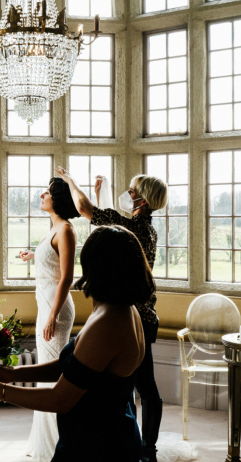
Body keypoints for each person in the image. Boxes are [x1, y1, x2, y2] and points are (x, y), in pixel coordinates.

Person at [0, 225, 153, 462]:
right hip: (102, 436)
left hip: (97, 447)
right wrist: (14, 373)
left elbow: (60, 400)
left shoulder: (108, 323)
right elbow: (76, 366)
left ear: (98, 268)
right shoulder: (122, 309)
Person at [55, 167, 168, 462]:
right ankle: (141, 445)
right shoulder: (145, 227)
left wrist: (69, 181)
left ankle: (147, 450)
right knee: (134, 385)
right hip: (145, 316)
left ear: (143, 201)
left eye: (131, 192)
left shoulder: (133, 227)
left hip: (136, 318)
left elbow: (84, 210)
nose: (127, 195)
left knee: (143, 387)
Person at [17, 177, 79, 461]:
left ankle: (61, 444)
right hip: (46, 305)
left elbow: (67, 276)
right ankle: (46, 442)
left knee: (53, 376)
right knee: (46, 372)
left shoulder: (66, 229)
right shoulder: (54, 227)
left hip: (57, 308)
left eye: (48, 192)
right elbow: (52, 260)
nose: (42, 194)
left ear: (57, 199)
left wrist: (53, 315)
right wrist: (33, 255)